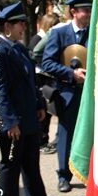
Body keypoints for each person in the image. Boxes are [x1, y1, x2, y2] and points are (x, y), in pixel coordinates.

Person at [0, 2, 58, 196]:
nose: (24, 27)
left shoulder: (17, 47)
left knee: (30, 159)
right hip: (11, 118)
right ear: (7, 26)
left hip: (27, 114)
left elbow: (30, 80)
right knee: (11, 161)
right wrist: (9, 122)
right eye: (20, 23)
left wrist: (39, 104)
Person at [42, 0, 92, 193]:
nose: (89, 14)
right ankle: (64, 176)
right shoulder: (59, 33)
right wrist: (71, 74)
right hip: (68, 92)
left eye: (90, 10)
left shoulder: (95, 33)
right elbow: (47, 62)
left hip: (91, 93)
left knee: (91, 133)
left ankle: (89, 174)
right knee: (65, 134)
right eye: (85, 10)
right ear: (73, 12)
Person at [29, 12, 60, 153]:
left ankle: (44, 140)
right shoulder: (37, 39)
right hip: (41, 79)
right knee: (44, 112)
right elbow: (35, 59)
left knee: (48, 112)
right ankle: (41, 142)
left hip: (46, 79)